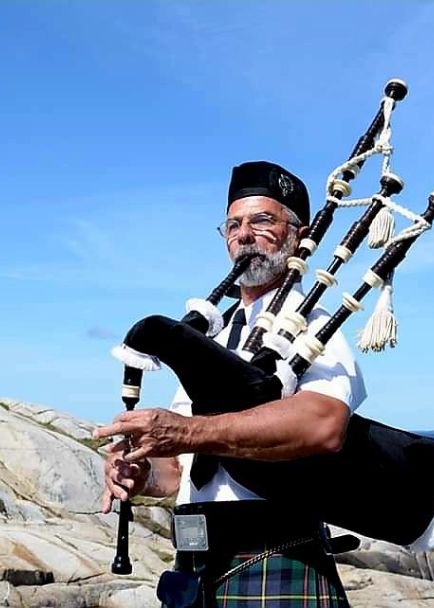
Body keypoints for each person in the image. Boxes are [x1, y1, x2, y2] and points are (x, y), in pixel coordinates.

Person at [93, 160, 366, 607]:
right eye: (233, 225)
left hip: (272, 555)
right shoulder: (211, 337)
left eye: (262, 221)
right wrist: (142, 472)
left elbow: (323, 423)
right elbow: (181, 469)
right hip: (193, 565)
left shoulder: (315, 325)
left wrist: (186, 431)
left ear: (299, 236)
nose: (244, 235)